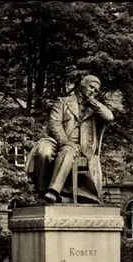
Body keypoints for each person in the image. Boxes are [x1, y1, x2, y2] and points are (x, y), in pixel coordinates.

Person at [25, 75, 114, 203]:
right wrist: (64, 141)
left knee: (68, 150)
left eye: (96, 91)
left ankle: (53, 192)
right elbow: (54, 124)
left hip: (81, 147)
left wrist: (92, 101)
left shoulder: (94, 109)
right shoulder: (63, 102)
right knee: (43, 151)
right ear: (83, 85)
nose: (93, 91)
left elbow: (109, 117)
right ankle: (42, 191)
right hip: (57, 140)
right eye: (91, 87)